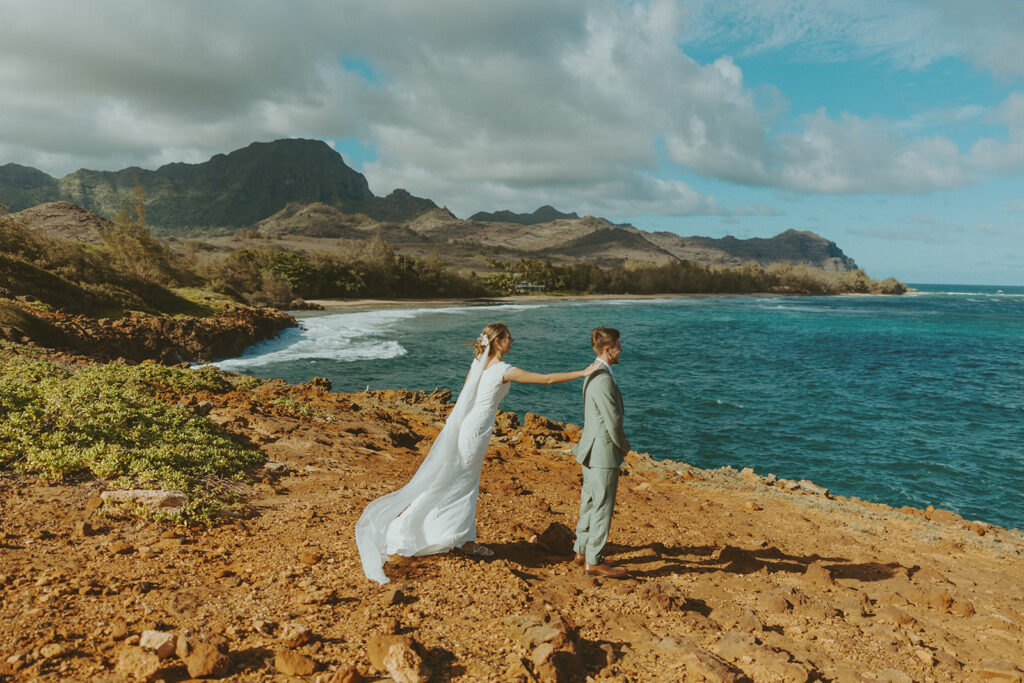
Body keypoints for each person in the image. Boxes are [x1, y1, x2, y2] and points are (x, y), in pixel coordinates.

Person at [356, 321, 599, 584]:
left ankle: (459, 538)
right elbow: (547, 379)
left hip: (466, 427)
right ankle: (453, 540)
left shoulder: (478, 366)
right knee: (465, 484)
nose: (513, 340)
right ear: (497, 342)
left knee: (454, 482)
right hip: (475, 433)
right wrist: (584, 372)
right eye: (508, 337)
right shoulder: (503, 370)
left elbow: (465, 399)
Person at [573, 326, 629, 578]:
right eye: (618, 345)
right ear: (607, 349)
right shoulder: (603, 378)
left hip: (589, 448)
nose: (621, 349)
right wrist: (624, 447)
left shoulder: (593, 370)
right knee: (602, 505)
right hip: (603, 451)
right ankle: (594, 560)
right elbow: (613, 421)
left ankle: (582, 549)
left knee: (590, 500)